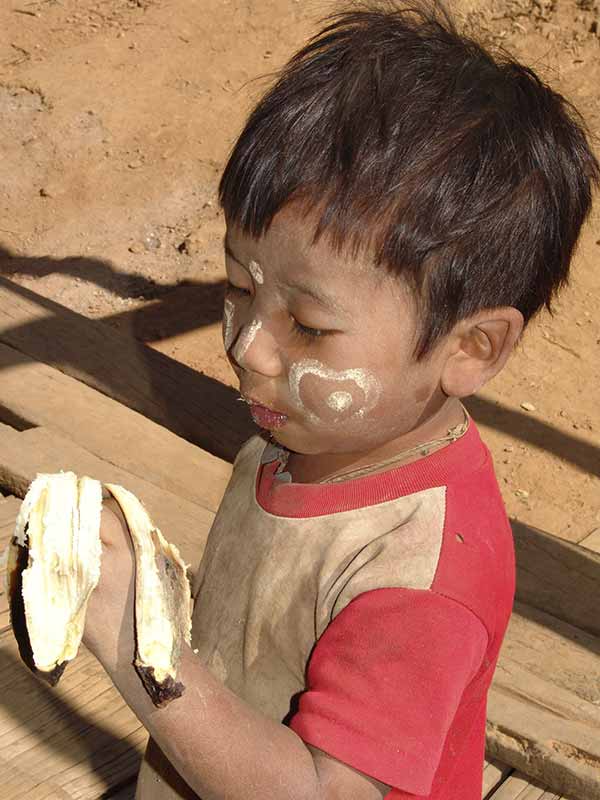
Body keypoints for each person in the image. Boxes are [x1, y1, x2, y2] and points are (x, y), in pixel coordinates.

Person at [83, 3, 599, 799]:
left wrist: (139, 646)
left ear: (472, 347)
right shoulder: (304, 432)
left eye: (311, 327)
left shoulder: (417, 578)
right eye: (235, 287)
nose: (247, 347)